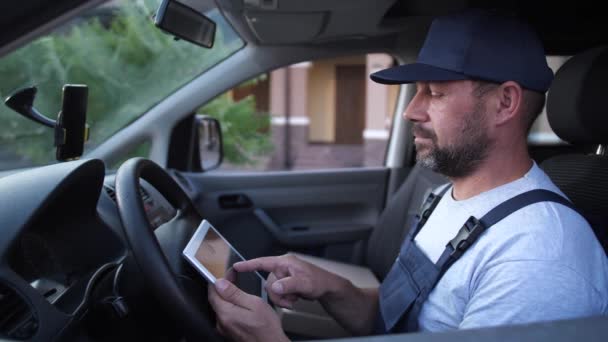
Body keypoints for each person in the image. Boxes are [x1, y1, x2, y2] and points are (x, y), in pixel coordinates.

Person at [207, 8, 608, 341]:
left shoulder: (537, 258)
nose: (410, 111)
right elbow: (402, 316)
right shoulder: (451, 196)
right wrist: (331, 287)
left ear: (504, 103)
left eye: (434, 92)